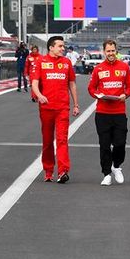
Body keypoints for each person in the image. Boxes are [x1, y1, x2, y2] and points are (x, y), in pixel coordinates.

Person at [31, 35, 79, 184]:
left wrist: (76, 104)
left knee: (62, 139)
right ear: (51, 47)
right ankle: (48, 170)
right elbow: (34, 83)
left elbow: (72, 84)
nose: (63, 48)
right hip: (46, 108)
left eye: (63, 46)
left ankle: (63, 171)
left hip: (62, 108)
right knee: (47, 141)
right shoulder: (41, 62)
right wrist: (39, 95)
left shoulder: (66, 63)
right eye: (60, 46)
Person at [87, 39, 130, 186]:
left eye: (113, 51)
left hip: (119, 112)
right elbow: (91, 88)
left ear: (116, 51)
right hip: (102, 113)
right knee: (105, 145)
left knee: (120, 144)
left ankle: (116, 166)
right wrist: (98, 95)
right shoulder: (98, 69)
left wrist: (125, 95)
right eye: (108, 51)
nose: (111, 53)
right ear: (104, 52)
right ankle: (106, 173)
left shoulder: (124, 67)